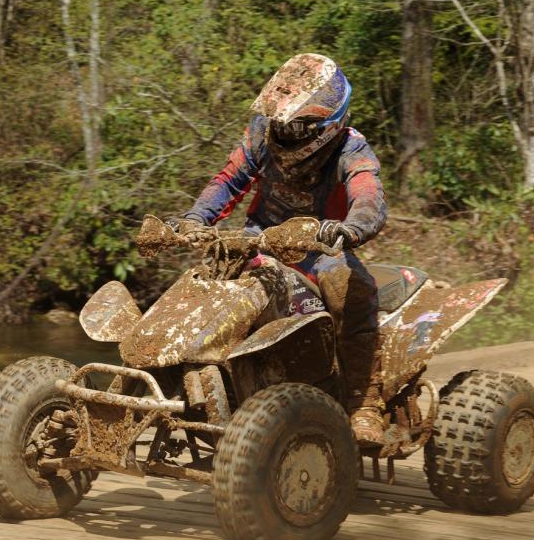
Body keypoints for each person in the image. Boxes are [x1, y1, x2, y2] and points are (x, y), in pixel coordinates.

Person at [165, 53, 388, 445]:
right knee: (209, 278)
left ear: (327, 125)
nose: (284, 129)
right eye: (279, 119)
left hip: (322, 245)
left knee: (350, 292)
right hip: (261, 238)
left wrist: (352, 228)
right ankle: (177, 376)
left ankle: (364, 404)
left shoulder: (351, 149)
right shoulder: (260, 133)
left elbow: (367, 193)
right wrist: (196, 218)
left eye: (295, 124)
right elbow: (229, 180)